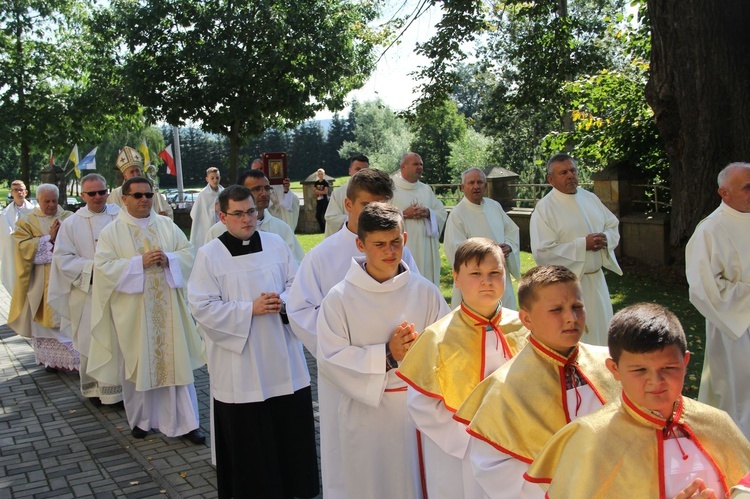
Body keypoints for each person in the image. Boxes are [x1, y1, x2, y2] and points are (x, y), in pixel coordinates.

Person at [287, 168, 421, 499]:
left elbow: (418, 298)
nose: (376, 214)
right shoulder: (322, 256)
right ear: (348, 204)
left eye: (383, 205)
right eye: (366, 206)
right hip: (346, 379)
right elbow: (300, 310)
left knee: (400, 466)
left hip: (397, 380)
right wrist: (350, 350)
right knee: (350, 468)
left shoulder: (402, 251)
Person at [524, 303, 750, 498]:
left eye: (668, 368)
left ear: (686, 362)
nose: (656, 381)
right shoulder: (592, 438)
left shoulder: (718, 423)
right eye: (640, 370)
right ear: (614, 369)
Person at [188, 186, 319, 499]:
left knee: (288, 434)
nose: (247, 218)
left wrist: (283, 301)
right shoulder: (210, 254)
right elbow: (202, 306)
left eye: (250, 211)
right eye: (238, 213)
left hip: (282, 357)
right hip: (241, 363)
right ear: (223, 216)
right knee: (251, 439)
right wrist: (250, 309)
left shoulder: (275, 244)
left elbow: (298, 285)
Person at [317, 202, 450, 499]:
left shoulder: (425, 290)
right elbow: (329, 360)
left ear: (404, 239)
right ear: (360, 244)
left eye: (395, 242)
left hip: (418, 415)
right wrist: (388, 356)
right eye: (379, 244)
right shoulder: (339, 299)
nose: (390, 251)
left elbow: (448, 348)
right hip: (368, 418)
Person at [454, 265, 621, 499]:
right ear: (527, 319)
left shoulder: (611, 365)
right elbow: (492, 466)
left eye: (577, 307)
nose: (571, 318)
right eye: (556, 310)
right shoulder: (505, 388)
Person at [397, 237, 529, 499]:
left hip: (515, 443)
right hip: (460, 450)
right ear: (456, 278)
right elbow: (420, 405)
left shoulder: (526, 328)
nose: (486, 281)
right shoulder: (438, 337)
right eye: (475, 273)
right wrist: (470, 436)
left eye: (495, 273)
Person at [87, 176, 206, 444]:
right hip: (134, 315)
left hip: (170, 313)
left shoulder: (167, 225)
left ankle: (187, 423)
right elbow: (103, 269)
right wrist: (136, 263)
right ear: (124, 199)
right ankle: (141, 421)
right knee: (139, 365)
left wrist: (170, 259)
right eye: (138, 196)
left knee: (176, 363)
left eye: (148, 195)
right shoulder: (111, 233)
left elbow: (189, 253)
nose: (144, 200)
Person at [530, 153, 622, 346]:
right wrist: (583, 245)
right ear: (551, 179)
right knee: (580, 338)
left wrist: (606, 238)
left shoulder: (590, 198)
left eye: (572, 170)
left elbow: (612, 224)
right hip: (569, 287)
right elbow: (542, 252)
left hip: (597, 280)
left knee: (603, 332)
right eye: (563, 172)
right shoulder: (545, 209)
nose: (570, 175)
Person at [686, 162, 750, 439]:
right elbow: (704, 289)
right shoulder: (710, 230)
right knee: (738, 398)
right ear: (724, 192)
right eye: (747, 187)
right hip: (734, 329)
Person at [48, 174, 123, 405]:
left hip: (119, 291)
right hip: (88, 293)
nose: (98, 197)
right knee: (92, 341)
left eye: (102, 192)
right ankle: (94, 390)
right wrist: (96, 270)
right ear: (82, 195)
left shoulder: (121, 216)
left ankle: (121, 393)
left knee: (118, 342)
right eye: (92, 193)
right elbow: (63, 258)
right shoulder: (72, 223)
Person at [8, 184, 77, 371]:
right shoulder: (27, 222)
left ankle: (75, 363)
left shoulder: (70, 218)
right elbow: (22, 249)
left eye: (54, 200)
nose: (51, 205)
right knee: (45, 320)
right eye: (47, 201)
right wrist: (49, 239)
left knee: (70, 319)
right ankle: (51, 362)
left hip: (67, 280)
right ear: (38, 201)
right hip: (42, 281)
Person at [444, 168, 521, 310]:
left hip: (498, 271)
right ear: (463, 187)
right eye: (471, 183)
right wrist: (487, 258)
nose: (476, 186)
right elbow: (456, 250)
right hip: (476, 279)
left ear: (485, 186)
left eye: (480, 182)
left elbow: (512, 230)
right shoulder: (457, 214)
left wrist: (509, 246)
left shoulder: (494, 206)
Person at [205, 170, 305, 263]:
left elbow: (296, 266)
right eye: (257, 189)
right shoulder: (217, 231)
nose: (264, 193)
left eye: (267, 188)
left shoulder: (282, 229)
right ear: (242, 192)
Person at [390, 152, 448, 285]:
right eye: (416, 164)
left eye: (421, 164)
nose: (420, 167)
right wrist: (403, 214)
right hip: (403, 245)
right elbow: (381, 214)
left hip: (426, 246)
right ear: (403, 166)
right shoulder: (391, 188)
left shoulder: (426, 189)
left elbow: (441, 212)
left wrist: (428, 213)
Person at [1, 180, 34, 294]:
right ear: (11, 192)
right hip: (15, 253)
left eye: (21, 190)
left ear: (26, 192)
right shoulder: (5, 214)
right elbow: (5, 236)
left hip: (32, 252)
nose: (18, 192)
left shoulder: (35, 211)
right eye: (15, 190)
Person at [324, 154, 369, 237]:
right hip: (345, 238)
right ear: (350, 171)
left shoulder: (373, 192)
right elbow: (331, 217)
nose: (361, 173)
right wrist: (354, 220)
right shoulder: (338, 193)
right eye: (357, 169)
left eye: (364, 170)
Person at [252, 158, 301, 231]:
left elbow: (291, 203)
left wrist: (286, 191)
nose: (259, 171)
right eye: (256, 170)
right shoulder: (252, 187)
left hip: (281, 221)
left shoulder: (279, 184)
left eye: (261, 168)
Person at [189, 166, 224, 253]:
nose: (215, 180)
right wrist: (213, 209)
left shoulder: (223, 192)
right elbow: (195, 213)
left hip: (221, 223)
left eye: (217, 178)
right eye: (212, 178)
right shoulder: (203, 194)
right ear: (207, 179)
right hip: (207, 226)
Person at [313, 168, 330, 232]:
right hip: (319, 200)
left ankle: (327, 229)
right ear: (317, 175)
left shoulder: (325, 182)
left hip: (325, 201)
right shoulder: (316, 183)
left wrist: (318, 191)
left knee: (325, 215)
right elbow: (314, 192)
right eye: (319, 174)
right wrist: (320, 191)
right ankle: (322, 229)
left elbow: (325, 192)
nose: (320, 175)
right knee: (318, 215)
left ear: (324, 174)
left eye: (321, 174)